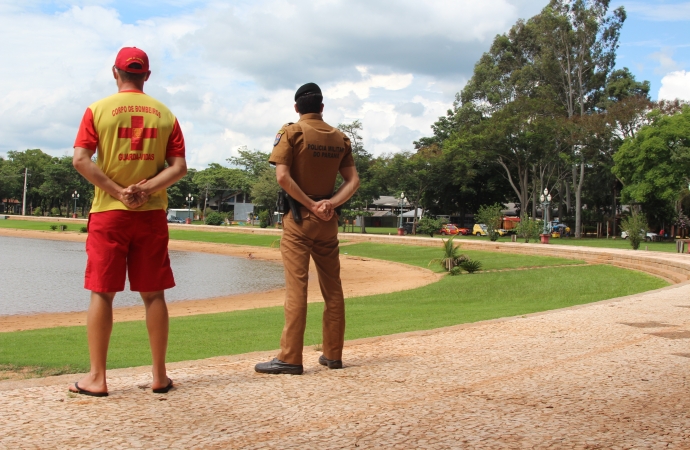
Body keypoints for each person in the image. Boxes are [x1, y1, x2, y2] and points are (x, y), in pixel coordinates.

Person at [69, 47, 187, 396]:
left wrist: (119, 192)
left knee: (102, 294)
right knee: (153, 296)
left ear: (115, 72)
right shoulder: (165, 113)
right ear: (146, 76)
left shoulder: (98, 109)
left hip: (109, 213)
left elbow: (81, 160)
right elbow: (178, 167)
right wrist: (145, 189)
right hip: (150, 215)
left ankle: (97, 378)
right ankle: (159, 376)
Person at [255, 82, 360, 375]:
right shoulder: (340, 138)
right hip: (328, 224)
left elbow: (283, 178)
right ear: (322, 108)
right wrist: (330, 204)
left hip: (299, 219)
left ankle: (290, 357)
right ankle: (333, 354)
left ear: (297, 108)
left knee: (297, 289)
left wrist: (312, 205)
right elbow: (353, 182)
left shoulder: (292, 132)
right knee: (333, 289)